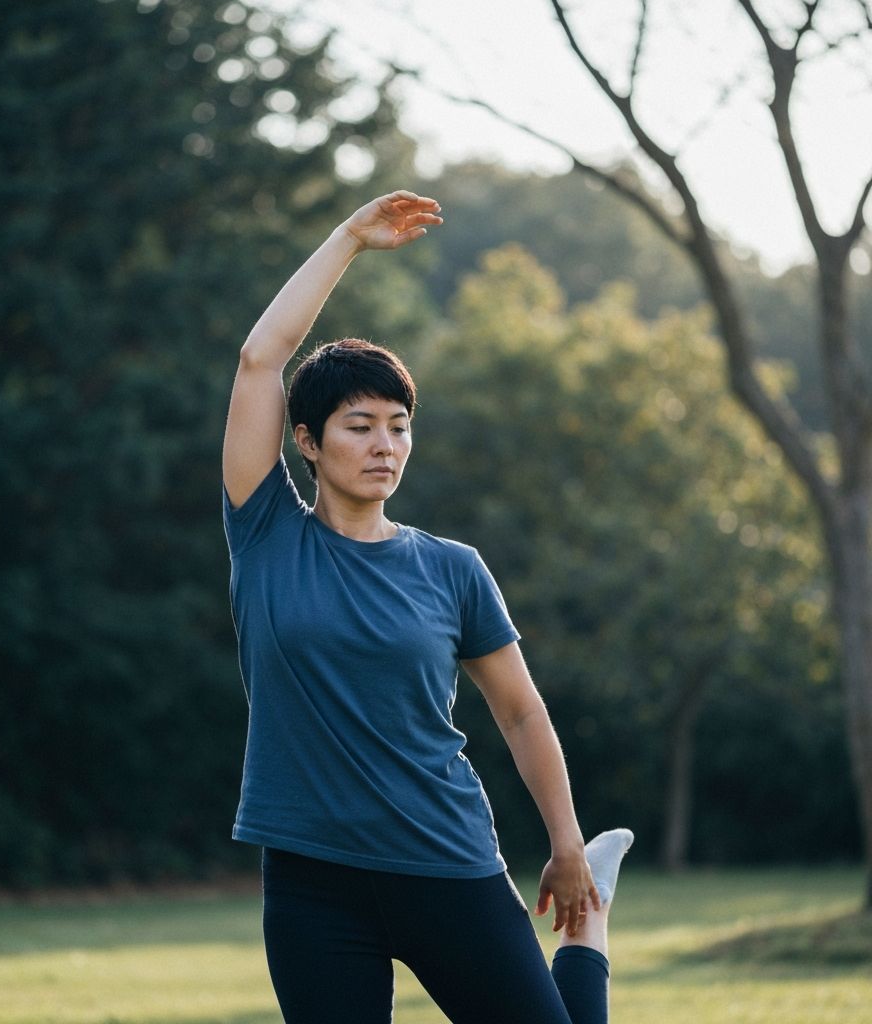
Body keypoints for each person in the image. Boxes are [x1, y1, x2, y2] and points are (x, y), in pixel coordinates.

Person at [222, 189, 634, 1024]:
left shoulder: (452, 569)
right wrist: (346, 240)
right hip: (313, 880)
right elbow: (263, 359)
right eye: (359, 425)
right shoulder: (266, 535)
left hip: (446, 859)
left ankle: (587, 932)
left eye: (400, 426)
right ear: (306, 440)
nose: (385, 446)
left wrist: (562, 843)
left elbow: (520, 714)